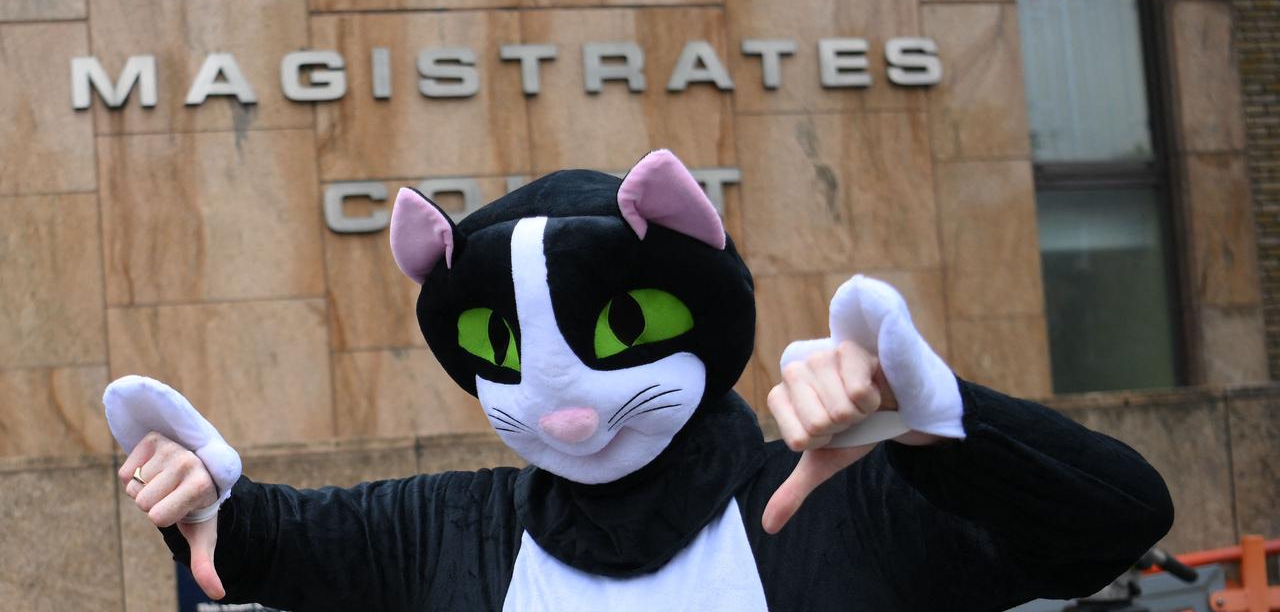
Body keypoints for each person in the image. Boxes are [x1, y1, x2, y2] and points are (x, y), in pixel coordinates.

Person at [107, 151, 1173, 611]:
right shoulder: (452, 529)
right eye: (509, 356)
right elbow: (283, 544)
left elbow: (1112, 519)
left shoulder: (842, 511)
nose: (563, 403)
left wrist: (944, 426)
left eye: (614, 331)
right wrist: (206, 501)